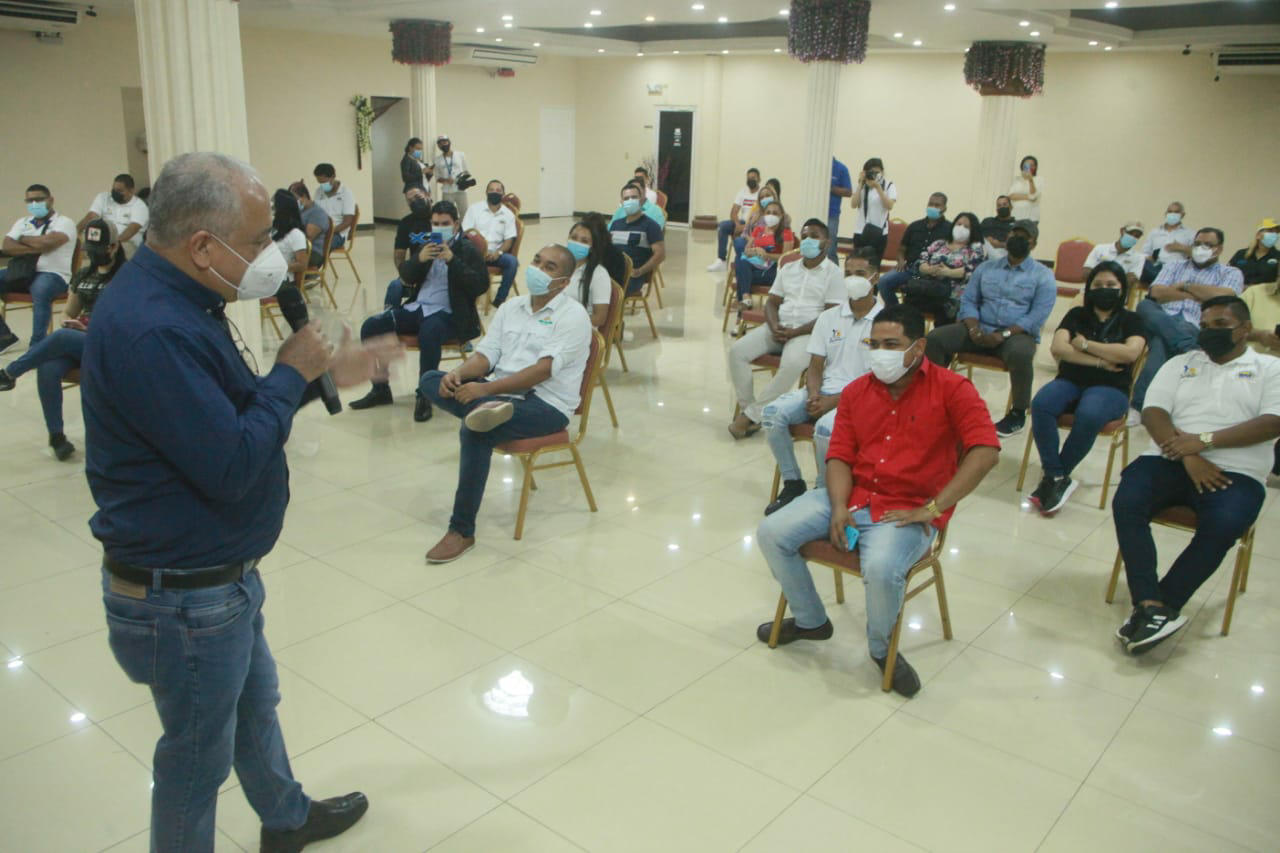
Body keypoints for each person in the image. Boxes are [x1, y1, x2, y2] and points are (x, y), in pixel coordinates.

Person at [83, 151, 395, 852]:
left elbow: (225, 412)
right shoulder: (154, 327)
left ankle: (286, 818)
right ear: (202, 245)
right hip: (183, 597)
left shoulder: (184, 299)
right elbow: (230, 461)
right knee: (196, 761)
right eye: (255, 240)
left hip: (218, 578)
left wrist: (319, 377)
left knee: (256, 708)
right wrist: (291, 371)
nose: (268, 255)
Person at [755, 304, 1000, 697]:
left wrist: (934, 508)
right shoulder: (857, 391)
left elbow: (985, 451)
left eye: (891, 344)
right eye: (874, 344)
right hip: (850, 497)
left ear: (918, 348)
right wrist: (837, 507)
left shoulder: (953, 390)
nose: (879, 352)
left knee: (883, 568)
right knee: (771, 532)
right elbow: (838, 455)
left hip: (907, 509)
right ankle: (810, 620)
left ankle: (881, 649)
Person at [1112, 295, 1280, 655]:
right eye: (1204, 326)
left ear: (1245, 329)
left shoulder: (1270, 368)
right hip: (1168, 457)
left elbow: (1273, 422)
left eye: (1220, 325)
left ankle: (1162, 604)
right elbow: (1155, 411)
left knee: (1223, 525)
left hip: (1237, 471)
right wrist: (1187, 455)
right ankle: (1150, 604)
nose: (1209, 333)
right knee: (1128, 500)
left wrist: (1203, 442)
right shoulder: (1181, 363)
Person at [418, 244, 592, 563]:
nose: (538, 269)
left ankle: (462, 531)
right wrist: (458, 374)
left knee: (477, 432)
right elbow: (486, 357)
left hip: (546, 405)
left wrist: (485, 392)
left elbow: (540, 372)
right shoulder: (512, 307)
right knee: (431, 379)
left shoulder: (573, 316)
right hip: (499, 393)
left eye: (550, 267)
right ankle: (487, 410)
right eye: (538, 261)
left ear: (564, 282)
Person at [763, 249, 881, 515]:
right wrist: (814, 394)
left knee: (825, 430)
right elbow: (815, 364)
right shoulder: (830, 317)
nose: (852, 279)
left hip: (861, 399)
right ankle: (793, 482)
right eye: (848, 273)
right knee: (771, 414)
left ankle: (823, 491)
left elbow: (878, 380)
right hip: (823, 390)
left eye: (860, 274)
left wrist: (832, 402)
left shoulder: (886, 322)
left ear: (875, 278)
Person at [349, 195, 488, 421]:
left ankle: (425, 395)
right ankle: (380, 388)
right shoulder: (427, 245)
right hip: (418, 308)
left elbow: (479, 285)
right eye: (435, 224)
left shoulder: (466, 249)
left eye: (445, 224)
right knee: (372, 326)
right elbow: (405, 276)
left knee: (430, 330)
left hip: (450, 314)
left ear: (456, 224)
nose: (439, 228)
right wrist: (418, 259)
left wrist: (453, 260)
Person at [1028, 262, 1147, 515]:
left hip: (1111, 388)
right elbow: (1059, 349)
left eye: (1111, 285)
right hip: (1070, 380)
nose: (1104, 290)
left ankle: (1056, 476)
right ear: (1089, 288)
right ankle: (1056, 475)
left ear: (1122, 288)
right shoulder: (1076, 316)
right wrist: (1102, 361)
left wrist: (1083, 345)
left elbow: (1130, 353)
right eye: (1098, 285)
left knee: (1090, 413)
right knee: (1041, 404)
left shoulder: (1132, 320)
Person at [0, 219, 123, 460]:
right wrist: (70, 322)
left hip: (111, 343)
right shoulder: (84, 274)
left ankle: (11, 372)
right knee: (48, 366)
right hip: (80, 338)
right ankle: (57, 437)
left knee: (62, 336)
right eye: (90, 249)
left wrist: (87, 329)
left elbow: (128, 321)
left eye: (99, 249)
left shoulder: (126, 277)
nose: (93, 254)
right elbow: (68, 311)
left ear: (113, 247)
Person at [924, 220, 1057, 438]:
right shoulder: (986, 268)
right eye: (1014, 234)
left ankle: (1018, 413)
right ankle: (933, 399)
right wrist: (974, 328)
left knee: (1022, 353)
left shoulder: (1043, 275)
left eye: (1024, 237)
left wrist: (1003, 334)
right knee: (936, 338)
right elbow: (968, 301)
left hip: (1015, 335)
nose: (1017, 240)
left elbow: (1036, 316)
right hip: (979, 327)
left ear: (1033, 244)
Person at [727, 219, 844, 439]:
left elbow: (830, 316)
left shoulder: (834, 273)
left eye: (815, 236)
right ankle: (749, 409)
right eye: (805, 235)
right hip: (778, 326)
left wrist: (795, 332)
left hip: (808, 333)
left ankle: (751, 416)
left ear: (826, 243)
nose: (809, 240)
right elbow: (772, 302)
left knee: (790, 365)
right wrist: (774, 326)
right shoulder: (788, 268)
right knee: (736, 352)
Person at [1131, 227, 1245, 412]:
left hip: (1194, 323)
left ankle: (1139, 405)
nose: (1201, 248)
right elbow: (1156, 292)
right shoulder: (1174, 266)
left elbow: (1225, 296)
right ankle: (1188, 346)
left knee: (1161, 342)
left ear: (1219, 249)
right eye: (1198, 244)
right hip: (1160, 318)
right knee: (1144, 306)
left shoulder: (1230, 273)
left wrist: (1185, 286)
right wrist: (1196, 296)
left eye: (1208, 245)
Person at [0, 183, 77, 352]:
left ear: (50, 200)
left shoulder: (65, 222)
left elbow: (49, 243)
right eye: (30, 201)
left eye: (38, 199)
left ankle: (38, 345)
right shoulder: (22, 222)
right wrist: (37, 246)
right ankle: (4, 337)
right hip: (23, 272)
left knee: (41, 289)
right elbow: (6, 246)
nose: (34, 204)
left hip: (53, 274)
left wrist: (21, 238)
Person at [900, 211, 984, 325]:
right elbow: (921, 260)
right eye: (958, 224)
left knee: (944, 308)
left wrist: (947, 272)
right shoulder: (939, 243)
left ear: (973, 230)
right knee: (910, 304)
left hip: (953, 293)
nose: (961, 228)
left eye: (966, 226)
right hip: (929, 288)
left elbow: (973, 270)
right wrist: (928, 269)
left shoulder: (975, 248)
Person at [876, 192, 951, 307]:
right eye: (930, 204)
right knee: (884, 282)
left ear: (944, 208)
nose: (933, 207)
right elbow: (902, 248)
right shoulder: (915, 226)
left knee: (917, 290)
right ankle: (896, 310)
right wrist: (900, 260)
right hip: (909, 268)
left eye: (937, 205)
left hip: (932, 273)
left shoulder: (949, 229)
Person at [462, 179, 519, 305]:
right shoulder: (474, 209)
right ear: (486, 192)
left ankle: (500, 299)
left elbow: (509, 239)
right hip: (474, 253)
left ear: (503, 194)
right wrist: (479, 251)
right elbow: (465, 234)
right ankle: (465, 296)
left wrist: (498, 253)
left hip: (495, 254)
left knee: (512, 262)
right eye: (491, 190)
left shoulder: (508, 215)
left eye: (498, 190)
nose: (495, 192)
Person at [732, 199, 795, 310]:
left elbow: (786, 258)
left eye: (775, 213)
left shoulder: (786, 233)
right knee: (740, 259)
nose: (771, 215)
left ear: (781, 216)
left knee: (742, 276)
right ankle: (746, 298)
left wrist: (767, 255)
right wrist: (755, 251)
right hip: (756, 267)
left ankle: (743, 303)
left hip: (772, 272)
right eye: (768, 212)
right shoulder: (759, 229)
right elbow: (746, 250)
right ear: (764, 215)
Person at [610, 182, 666, 295]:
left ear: (641, 200)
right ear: (622, 203)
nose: (630, 201)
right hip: (612, 272)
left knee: (607, 294)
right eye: (626, 198)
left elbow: (660, 254)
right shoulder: (616, 224)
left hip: (632, 276)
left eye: (634, 197)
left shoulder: (651, 226)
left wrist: (640, 271)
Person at [79, 173, 149, 259]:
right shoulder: (103, 198)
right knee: (81, 247)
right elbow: (91, 217)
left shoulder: (140, 206)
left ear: (131, 191)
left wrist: (113, 245)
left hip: (126, 242)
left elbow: (132, 230)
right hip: (102, 241)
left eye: (119, 191)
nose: (115, 193)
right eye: (114, 189)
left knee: (120, 250)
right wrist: (75, 234)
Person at [566, 215, 616, 329]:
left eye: (584, 241)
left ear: (592, 247)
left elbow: (600, 318)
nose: (577, 243)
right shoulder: (561, 266)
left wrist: (566, 320)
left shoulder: (599, 274)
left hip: (580, 330)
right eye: (573, 238)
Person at [708, 167, 761, 272]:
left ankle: (742, 263)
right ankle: (721, 260)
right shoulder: (742, 192)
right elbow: (733, 212)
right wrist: (737, 225)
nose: (751, 180)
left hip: (755, 225)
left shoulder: (761, 193)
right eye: (748, 178)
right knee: (723, 226)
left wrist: (744, 227)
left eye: (753, 178)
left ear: (759, 179)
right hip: (741, 222)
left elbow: (760, 216)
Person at [851, 157, 898, 260]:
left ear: (882, 171)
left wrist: (878, 187)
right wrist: (860, 183)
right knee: (858, 263)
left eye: (877, 172)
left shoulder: (889, 185)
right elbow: (854, 204)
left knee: (874, 265)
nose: (874, 175)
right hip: (861, 231)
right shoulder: (861, 185)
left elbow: (889, 205)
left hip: (879, 232)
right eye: (871, 172)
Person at [1139, 201, 1194, 284]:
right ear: (1166, 214)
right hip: (1155, 270)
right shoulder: (1155, 232)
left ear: (1183, 215)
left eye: (1176, 212)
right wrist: (1149, 258)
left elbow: (1197, 256)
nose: (1172, 214)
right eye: (1170, 212)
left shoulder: (1190, 234)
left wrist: (1182, 248)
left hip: (1177, 272)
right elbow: (1145, 253)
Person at [270, 189, 310, 288]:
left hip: (281, 280)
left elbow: (302, 265)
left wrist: (277, 267)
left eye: (273, 207)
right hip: (267, 276)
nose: (272, 210)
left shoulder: (296, 234)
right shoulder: (274, 229)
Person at [288, 180, 332, 269]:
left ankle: (289, 280)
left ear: (304, 196)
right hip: (298, 248)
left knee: (277, 260)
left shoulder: (317, 213)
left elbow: (308, 237)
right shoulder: (300, 211)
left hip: (312, 252)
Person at [312, 163, 356, 249]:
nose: (322, 186)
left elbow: (347, 222)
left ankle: (316, 261)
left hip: (337, 234)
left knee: (319, 246)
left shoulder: (346, 193)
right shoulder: (319, 191)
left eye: (324, 182)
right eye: (320, 183)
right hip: (320, 231)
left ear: (333, 176)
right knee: (301, 244)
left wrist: (329, 231)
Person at [1229, 217, 1280, 287]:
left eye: (1277, 232)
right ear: (1258, 235)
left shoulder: (1278, 256)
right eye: (1270, 231)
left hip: (1265, 295)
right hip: (1239, 294)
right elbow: (1228, 275)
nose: (1274, 234)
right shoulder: (1241, 254)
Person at [433, 134, 471, 217]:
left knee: (464, 213)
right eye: (441, 143)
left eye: (445, 142)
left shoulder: (460, 155)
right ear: (438, 146)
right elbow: (437, 178)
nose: (443, 144)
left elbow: (467, 172)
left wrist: (460, 179)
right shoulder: (437, 160)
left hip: (461, 190)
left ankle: (463, 230)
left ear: (449, 142)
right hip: (447, 191)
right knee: (447, 213)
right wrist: (446, 180)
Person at [828, 157, 853, 261]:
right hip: (814, 211)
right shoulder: (816, 165)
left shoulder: (841, 168)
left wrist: (831, 188)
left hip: (832, 214)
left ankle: (834, 272)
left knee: (830, 247)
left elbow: (848, 192)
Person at [980, 195, 1016, 260]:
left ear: (1011, 207)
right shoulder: (987, 221)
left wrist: (999, 244)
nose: (1002, 207)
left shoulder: (1016, 226)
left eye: (1004, 205)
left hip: (1002, 254)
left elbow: (1016, 247)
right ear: (996, 209)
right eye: (999, 206)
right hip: (982, 250)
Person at [1008, 155, 1041, 224]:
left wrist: (1030, 180)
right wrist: (1028, 197)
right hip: (1016, 216)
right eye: (1027, 165)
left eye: (1032, 165)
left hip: (1031, 218)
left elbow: (1034, 196)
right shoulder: (1017, 180)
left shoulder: (1038, 179)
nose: (1029, 167)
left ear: (1035, 167)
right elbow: (1011, 196)